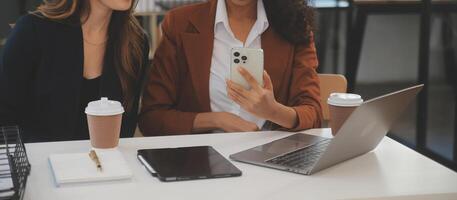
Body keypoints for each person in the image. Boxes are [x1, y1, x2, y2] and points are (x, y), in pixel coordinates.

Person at [139, 0, 321, 136]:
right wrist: (216, 120)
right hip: (198, 161)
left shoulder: (294, 26)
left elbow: (314, 115)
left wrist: (273, 111)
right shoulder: (179, 24)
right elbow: (152, 118)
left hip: (269, 161)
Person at [0, 0, 149, 142]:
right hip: (37, 164)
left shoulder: (135, 43)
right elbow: (5, 119)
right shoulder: (32, 30)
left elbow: (125, 131)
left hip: (105, 165)